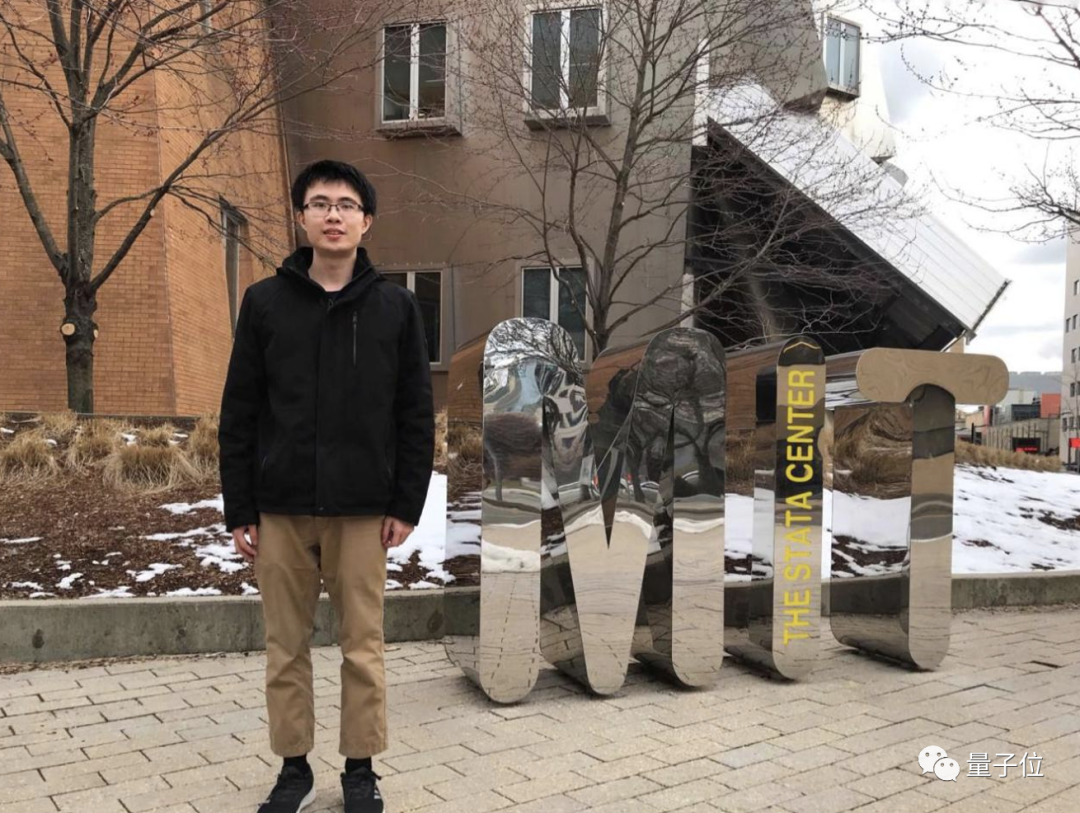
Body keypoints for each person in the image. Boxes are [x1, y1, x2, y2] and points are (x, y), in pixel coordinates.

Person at [218, 159, 435, 813]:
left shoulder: (396, 307)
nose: (333, 214)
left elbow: (415, 413)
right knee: (285, 647)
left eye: (345, 204)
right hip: (280, 509)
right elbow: (240, 411)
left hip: (362, 511)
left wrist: (405, 502)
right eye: (319, 203)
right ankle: (294, 770)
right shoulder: (264, 303)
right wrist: (240, 507)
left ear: (366, 221)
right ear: (301, 217)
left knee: (362, 647)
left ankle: (360, 770)